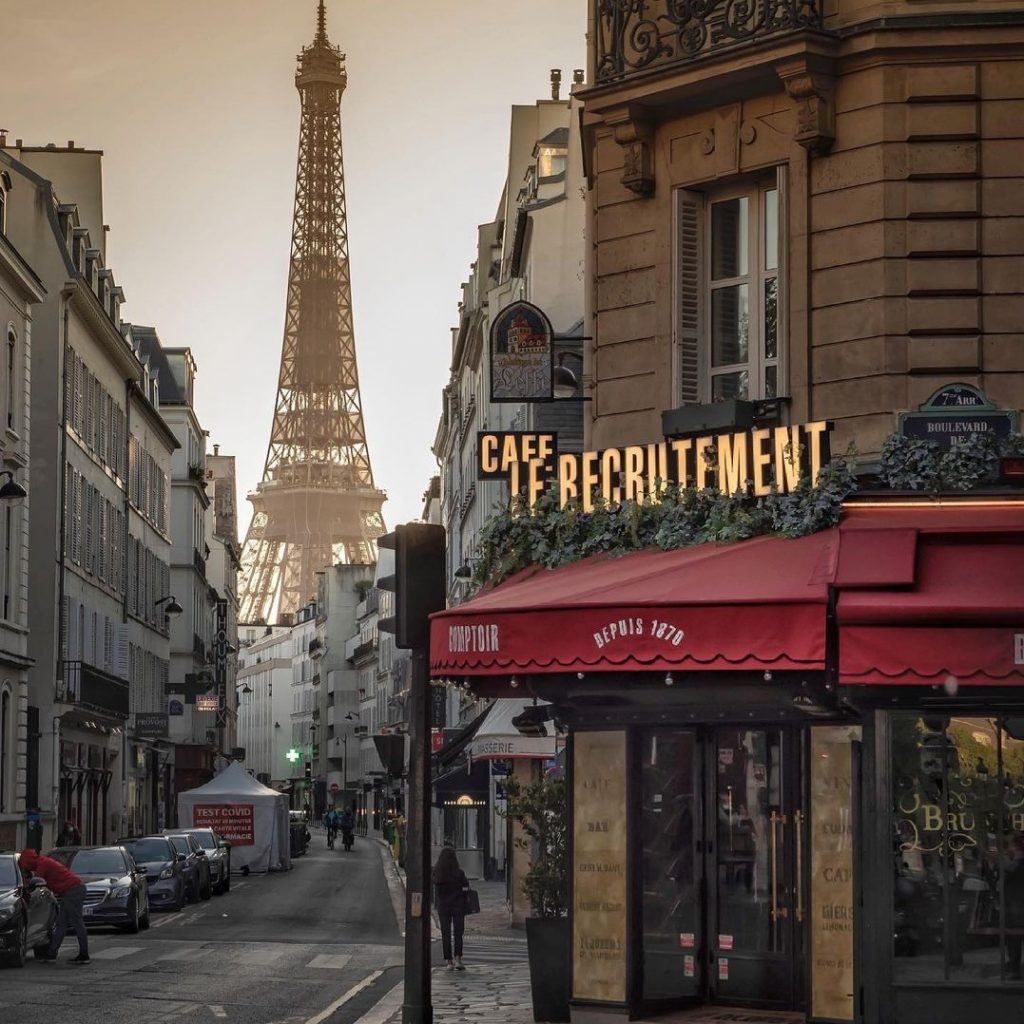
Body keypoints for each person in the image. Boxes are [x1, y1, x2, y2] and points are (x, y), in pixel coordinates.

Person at [19, 847, 90, 964]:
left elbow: (35, 882)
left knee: (77, 923)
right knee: (61, 924)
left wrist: (27, 888)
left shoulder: (42, 864)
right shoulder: (43, 861)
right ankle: (52, 953)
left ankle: (84, 954)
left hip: (73, 891)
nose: (26, 868)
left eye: (25, 865)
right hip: (73, 891)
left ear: (28, 862)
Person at [432, 842, 469, 971]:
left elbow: (435, 887)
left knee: (445, 933)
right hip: (458, 905)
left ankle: (448, 961)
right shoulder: (459, 873)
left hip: (443, 906)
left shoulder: (437, 872)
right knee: (458, 932)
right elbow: (466, 887)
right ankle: (458, 958)